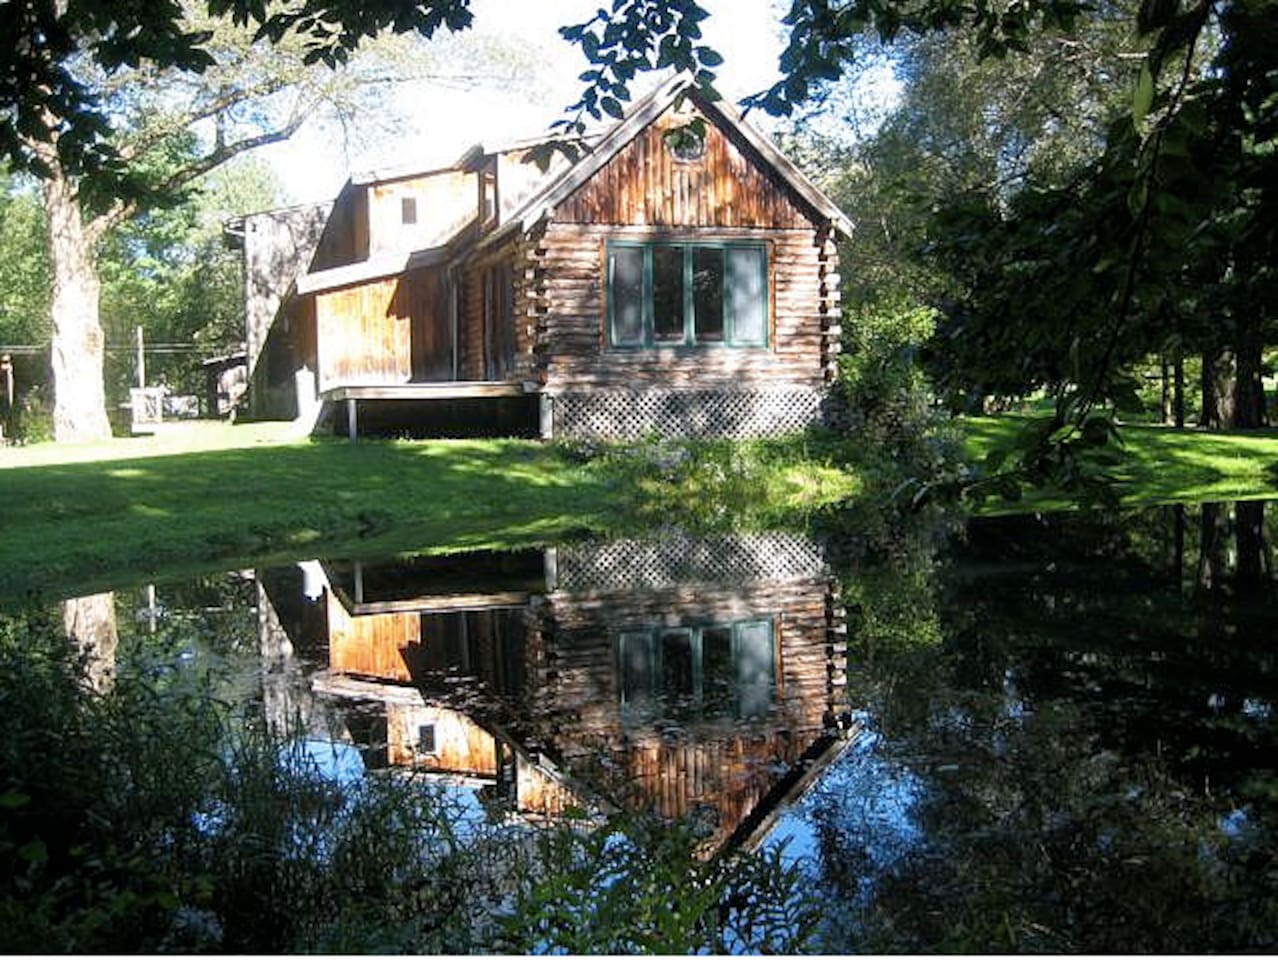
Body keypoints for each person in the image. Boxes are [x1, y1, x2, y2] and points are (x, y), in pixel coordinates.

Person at [0, 353, 13, 443]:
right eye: (4, 362)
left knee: (5, 416)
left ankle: (4, 434)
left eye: (7, 362)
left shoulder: (9, 371)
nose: (6, 364)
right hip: (2, 394)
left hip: (5, 395)